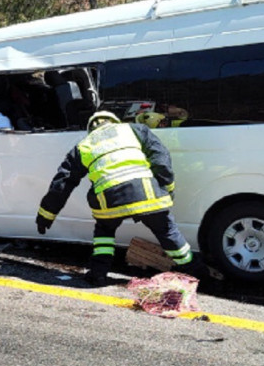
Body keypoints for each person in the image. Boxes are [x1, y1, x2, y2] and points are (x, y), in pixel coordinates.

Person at [35, 110, 198, 286]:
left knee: (104, 233)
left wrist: (45, 216)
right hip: (146, 195)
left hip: (109, 202)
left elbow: (62, 183)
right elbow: (161, 158)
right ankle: (194, 271)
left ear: (91, 129)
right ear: (115, 122)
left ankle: (98, 274)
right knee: (167, 231)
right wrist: (166, 188)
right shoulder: (134, 130)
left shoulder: (83, 146)